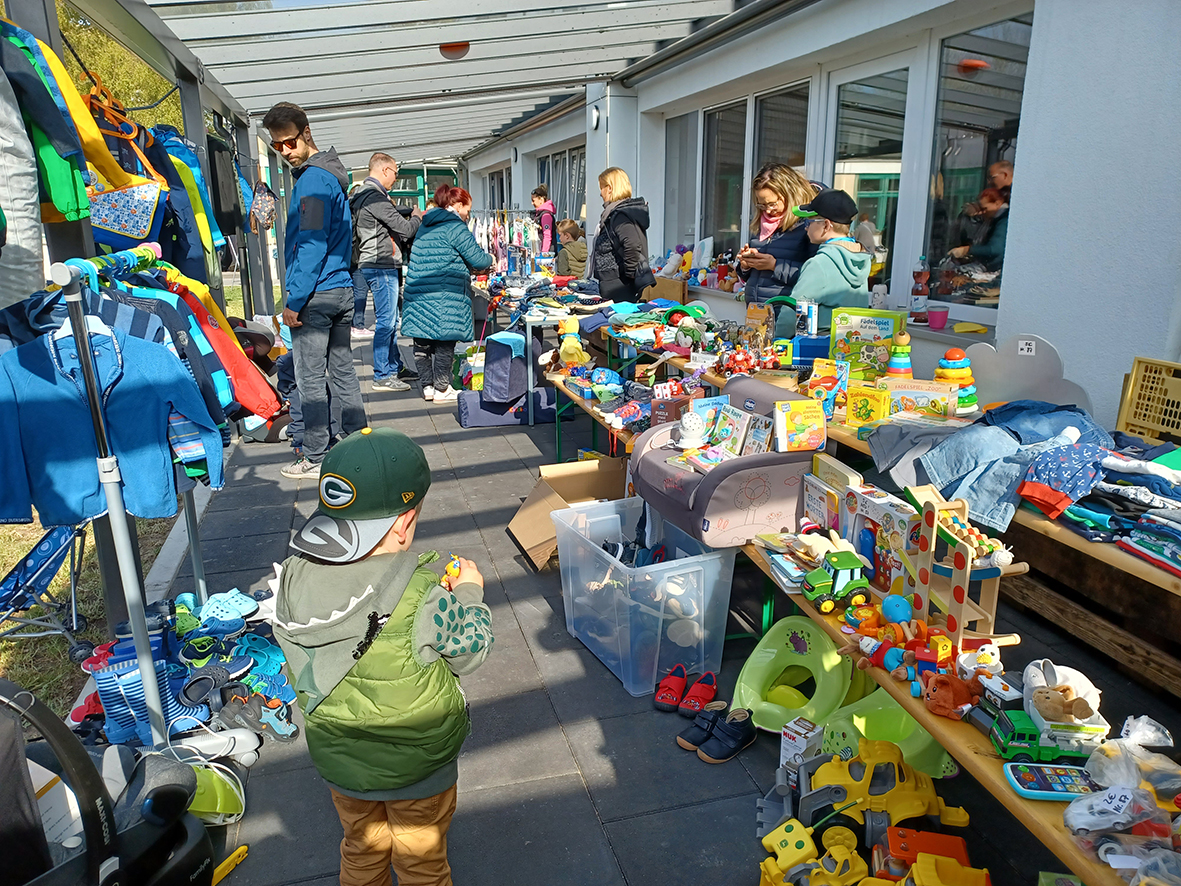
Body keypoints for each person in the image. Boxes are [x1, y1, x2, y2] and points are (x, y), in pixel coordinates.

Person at [273, 426, 493, 886]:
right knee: (421, 863)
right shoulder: (422, 594)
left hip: (342, 762)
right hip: (416, 764)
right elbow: (470, 652)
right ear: (404, 522)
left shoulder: (293, 576)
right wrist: (470, 595)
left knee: (362, 847)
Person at [263, 101, 365, 481]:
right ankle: (360, 443)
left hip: (316, 295)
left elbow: (311, 243)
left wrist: (294, 301)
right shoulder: (331, 176)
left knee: (309, 379)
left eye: (289, 142)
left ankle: (317, 454)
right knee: (343, 373)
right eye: (277, 147)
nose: (285, 152)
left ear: (306, 133)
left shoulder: (312, 182)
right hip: (339, 288)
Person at [401, 185, 494, 403]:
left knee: (422, 342)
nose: (468, 215)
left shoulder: (425, 224)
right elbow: (478, 259)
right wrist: (491, 259)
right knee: (445, 340)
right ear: (458, 205)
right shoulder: (455, 227)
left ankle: (428, 387)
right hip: (444, 293)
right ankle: (443, 388)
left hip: (418, 291)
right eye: (467, 209)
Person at [350, 152, 423, 393]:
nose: (395, 178)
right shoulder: (375, 198)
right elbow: (404, 229)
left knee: (389, 320)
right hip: (381, 264)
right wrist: (416, 217)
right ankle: (382, 375)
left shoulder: (360, 195)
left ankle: (394, 366)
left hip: (371, 262)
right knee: (386, 323)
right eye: (395, 173)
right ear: (384, 171)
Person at [773, 188, 871, 337]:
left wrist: (776, 343)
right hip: (850, 345)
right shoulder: (861, 259)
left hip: (817, 349)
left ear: (826, 225)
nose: (805, 227)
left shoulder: (819, 263)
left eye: (809, 221)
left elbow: (792, 314)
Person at [736, 164, 818, 308]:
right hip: (757, 311)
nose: (768, 211)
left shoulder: (807, 226)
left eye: (772, 204)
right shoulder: (761, 224)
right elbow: (750, 277)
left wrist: (774, 265)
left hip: (787, 312)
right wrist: (746, 265)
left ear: (790, 194)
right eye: (762, 205)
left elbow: (814, 276)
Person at [588, 167, 654, 302]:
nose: (600, 193)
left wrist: (629, 275)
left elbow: (632, 244)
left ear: (610, 188)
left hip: (618, 286)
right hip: (613, 282)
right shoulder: (615, 213)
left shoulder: (621, 215)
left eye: (602, 188)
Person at [949, 187, 1008, 273]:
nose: (983, 212)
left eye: (985, 209)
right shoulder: (995, 219)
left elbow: (995, 249)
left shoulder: (1003, 221)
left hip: (993, 268)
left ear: (997, 203)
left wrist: (967, 250)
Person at [531, 184, 556, 254]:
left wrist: (544, 253)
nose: (532, 203)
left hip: (547, 253)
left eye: (533, 200)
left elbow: (547, 236)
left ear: (541, 200)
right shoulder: (539, 214)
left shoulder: (546, 215)